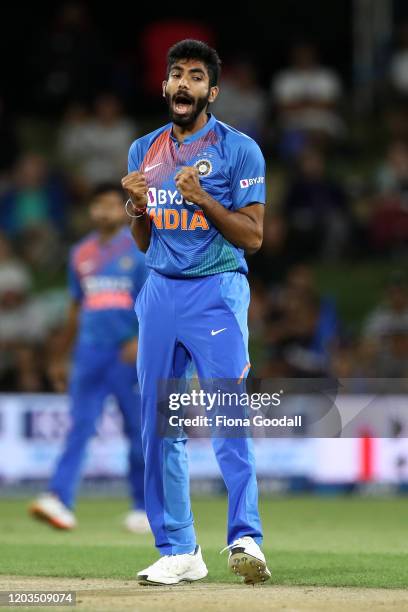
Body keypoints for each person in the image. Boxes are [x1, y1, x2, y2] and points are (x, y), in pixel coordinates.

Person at [121, 39, 270, 585]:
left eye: (195, 77)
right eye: (176, 74)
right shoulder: (144, 149)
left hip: (216, 290)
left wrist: (205, 198)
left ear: (212, 90)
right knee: (160, 426)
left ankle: (245, 537)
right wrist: (136, 206)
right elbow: (143, 240)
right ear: (165, 86)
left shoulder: (239, 150)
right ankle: (179, 548)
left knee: (228, 416)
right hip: (160, 292)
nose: (184, 84)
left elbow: (253, 236)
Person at [29, 183, 149, 533]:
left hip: (127, 352)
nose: (104, 211)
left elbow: (155, 301)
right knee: (79, 427)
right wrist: (59, 356)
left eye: (112, 205)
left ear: (124, 208)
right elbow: (75, 308)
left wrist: (142, 339)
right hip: (89, 352)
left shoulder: (139, 249)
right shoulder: (80, 253)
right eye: (97, 205)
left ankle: (142, 506)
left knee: (137, 432)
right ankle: (59, 500)